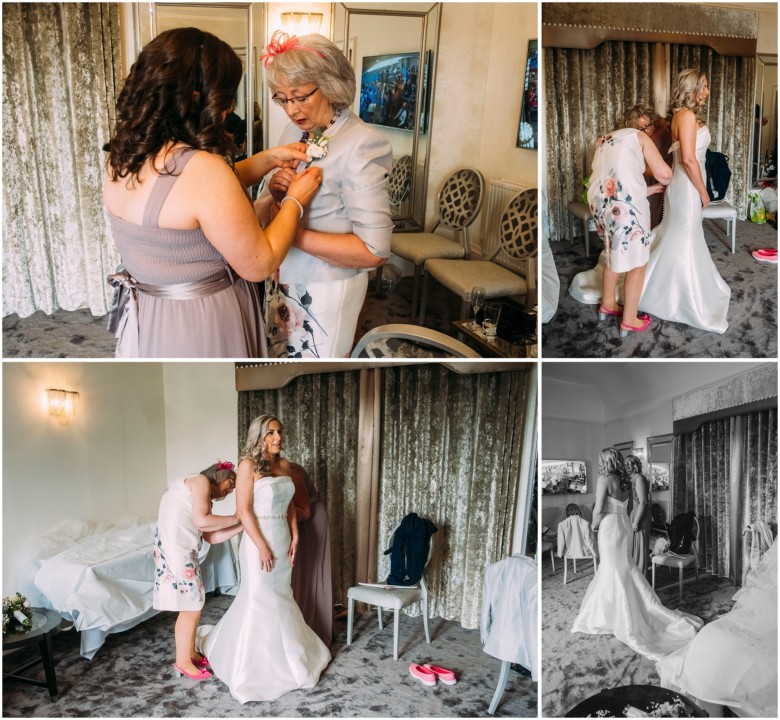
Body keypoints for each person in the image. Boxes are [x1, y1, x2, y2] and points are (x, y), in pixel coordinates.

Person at [103, 27, 322, 358]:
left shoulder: (123, 156)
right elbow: (259, 263)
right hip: (202, 319)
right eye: (225, 97)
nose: (228, 109)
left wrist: (267, 159)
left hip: (152, 312)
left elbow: (192, 201)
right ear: (197, 98)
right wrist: (295, 201)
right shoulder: (203, 170)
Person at [254, 31, 393, 358]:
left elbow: (375, 251)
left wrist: (293, 232)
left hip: (324, 289)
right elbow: (274, 205)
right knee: (277, 358)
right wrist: (276, 191)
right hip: (280, 279)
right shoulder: (295, 131)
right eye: (282, 98)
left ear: (331, 86)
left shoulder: (362, 144)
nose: (291, 109)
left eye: (301, 96)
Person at [198, 415, 330, 703]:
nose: (278, 437)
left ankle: (291, 659)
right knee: (258, 598)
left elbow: (291, 506)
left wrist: (295, 536)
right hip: (258, 539)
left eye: (280, 431)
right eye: (271, 432)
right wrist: (260, 546)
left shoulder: (284, 465)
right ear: (259, 437)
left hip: (282, 537)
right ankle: (253, 666)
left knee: (283, 595)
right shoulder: (247, 465)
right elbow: (244, 510)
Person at [571, 448, 702, 661]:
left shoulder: (604, 479)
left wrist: (594, 526)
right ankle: (624, 609)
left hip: (609, 526)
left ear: (605, 461)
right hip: (623, 525)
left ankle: (615, 614)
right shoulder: (625, 481)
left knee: (612, 568)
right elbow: (630, 506)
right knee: (624, 566)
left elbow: (599, 508)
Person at [638, 69, 731, 333]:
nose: (707, 91)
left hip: (682, 183)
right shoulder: (687, 116)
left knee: (680, 235)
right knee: (685, 236)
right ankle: (680, 299)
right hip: (688, 185)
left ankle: (665, 288)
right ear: (691, 89)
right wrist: (703, 191)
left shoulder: (679, 117)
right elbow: (689, 160)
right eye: (703, 86)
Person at [575, 120, 672, 336]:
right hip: (625, 208)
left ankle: (607, 304)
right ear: (647, 129)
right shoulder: (640, 137)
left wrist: (646, 189)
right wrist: (676, 174)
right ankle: (629, 319)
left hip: (600, 203)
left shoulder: (606, 139)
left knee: (612, 252)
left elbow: (615, 181)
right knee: (638, 263)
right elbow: (664, 174)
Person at [153, 460, 242, 681]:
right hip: (177, 550)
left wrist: (242, 525)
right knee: (190, 607)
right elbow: (202, 521)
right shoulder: (201, 480)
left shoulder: (201, 494)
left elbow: (211, 536)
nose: (230, 491)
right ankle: (182, 662)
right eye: (231, 484)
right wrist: (237, 517)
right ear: (219, 476)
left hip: (181, 548)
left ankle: (190, 652)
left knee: (194, 603)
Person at [289, 461, 333, 646]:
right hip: (297, 524)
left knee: (313, 574)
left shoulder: (292, 471)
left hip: (312, 521)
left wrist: (273, 513)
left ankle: (315, 626)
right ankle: (298, 624)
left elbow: (305, 511)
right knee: (298, 574)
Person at [625, 453, 651, 575]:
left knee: (640, 547)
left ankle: (641, 577)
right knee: (632, 546)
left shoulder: (639, 479)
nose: (626, 466)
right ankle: (633, 576)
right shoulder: (629, 479)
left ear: (635, 465)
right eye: (624, 464)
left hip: (640, 516)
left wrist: (636, 522)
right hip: (632, 514)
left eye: (629, 463)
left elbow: (644, 502)